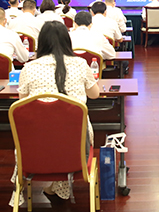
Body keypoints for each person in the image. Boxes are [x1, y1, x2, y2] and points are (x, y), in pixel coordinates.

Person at [17, 21, 99, 201]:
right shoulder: (80, 64)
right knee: (69, 124)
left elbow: (22, 103)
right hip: (76, 140)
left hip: (36, 141)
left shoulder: (29, 68)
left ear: (41, 42)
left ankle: (55, 185)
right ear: (67, 41)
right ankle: (58, 185)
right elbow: (95, 94)